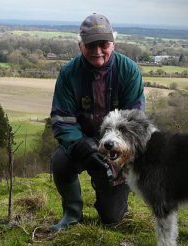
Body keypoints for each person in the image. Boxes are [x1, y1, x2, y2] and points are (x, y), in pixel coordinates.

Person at [49, 13, 145, 232]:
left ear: (113, 43)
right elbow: (61, 119)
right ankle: (72, 214)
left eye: (103, 44)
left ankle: (111, 198)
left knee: (112, 219)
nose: (98, 50)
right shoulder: (68, 73)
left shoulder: (129, 71)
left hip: (117, 148)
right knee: (60, 161)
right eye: (91, 44)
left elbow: (134, 121)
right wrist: (80, 145)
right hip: (82, 144)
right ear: (80, 45)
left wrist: (106, 145)